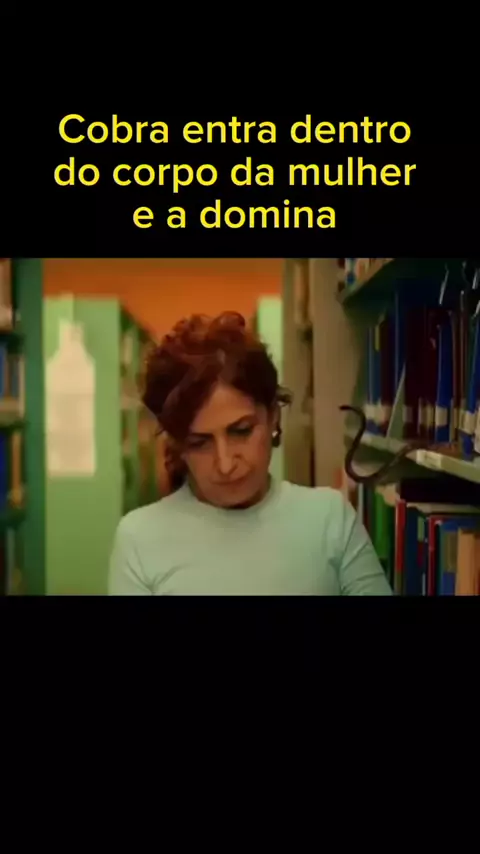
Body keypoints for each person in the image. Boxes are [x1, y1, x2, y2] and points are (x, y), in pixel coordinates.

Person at [109, 312, 392, 596]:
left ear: (273, 415)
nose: (225, 464)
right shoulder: (139, 538)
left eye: (241, 431)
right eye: (199, 442)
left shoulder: (330, 519)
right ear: (178, 445)